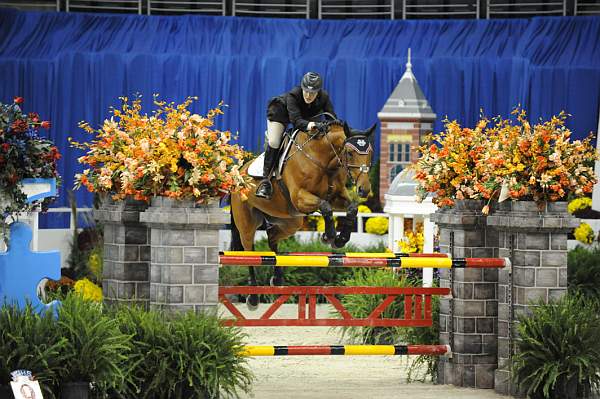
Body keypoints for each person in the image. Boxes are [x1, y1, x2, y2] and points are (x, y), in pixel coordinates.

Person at [255, 71, 337, 199]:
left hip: (303, 118)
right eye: (306, 91)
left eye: (313, 93)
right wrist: (313, 125)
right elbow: (297, 121)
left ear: (318, 92)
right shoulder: (293, 95)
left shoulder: (324, 97)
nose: (309, 96)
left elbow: (332, 118)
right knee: (274, 142)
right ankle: (266, 181)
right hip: (280, 114)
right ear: (302, 88)